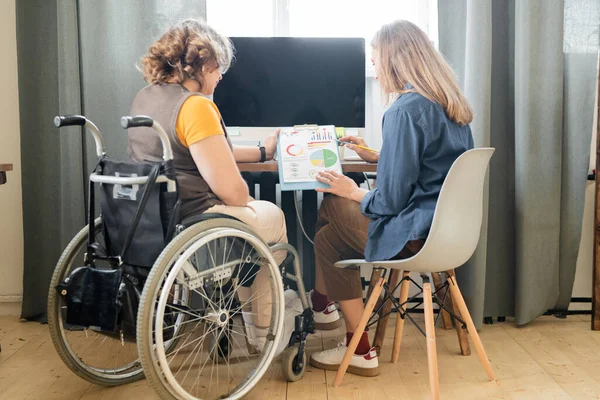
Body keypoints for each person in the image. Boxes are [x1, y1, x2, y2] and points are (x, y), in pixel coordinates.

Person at [126, 19, 327, 354]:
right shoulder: (196, 106)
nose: (221, 77)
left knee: (255, 221)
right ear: (203, 63)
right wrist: (245, 197)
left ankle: (248, 312)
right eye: (218, 68)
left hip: (153, 220)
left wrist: (264, 151)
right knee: (272, 217)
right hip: (197, 221)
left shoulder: (146, 99)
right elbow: (233, 192)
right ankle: (262, 333)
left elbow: (207, 148)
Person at [308, 20, 475, 377]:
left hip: (413, 238)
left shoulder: (403, 110)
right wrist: (379, 157)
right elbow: (433, 167)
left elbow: (392, 201)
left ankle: (327, 312)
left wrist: (353, 191)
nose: (374, 67)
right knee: (327, 238)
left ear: (395, 60)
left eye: (375, 59)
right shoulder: (453, 106)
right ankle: (343, 331)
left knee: (332, 204)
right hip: (447, 233)